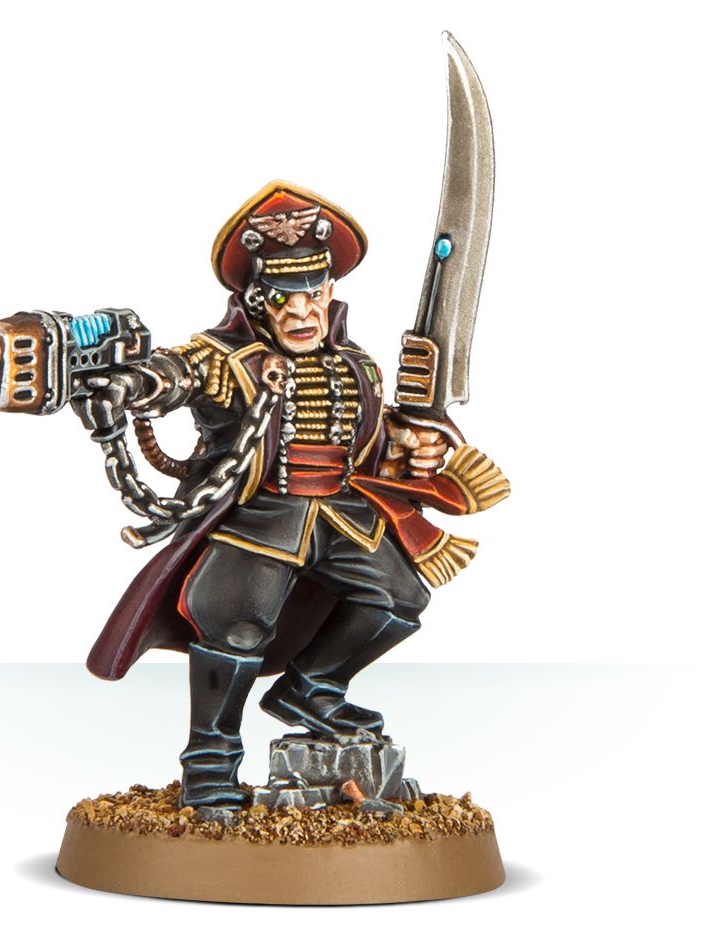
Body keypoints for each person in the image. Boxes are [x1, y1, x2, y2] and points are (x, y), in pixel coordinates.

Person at [80, 182, 461, 815]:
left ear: (329, 291)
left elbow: (375, 435)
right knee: (237, 624)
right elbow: (176, 375)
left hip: (343, 514)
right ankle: (209, 766)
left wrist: (419, 444)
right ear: (256, 298)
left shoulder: (357, 362)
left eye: (314, 293)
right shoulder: (224, 359)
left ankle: (312, 687)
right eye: (285, 297)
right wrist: (136, 384)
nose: (303, 312)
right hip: (259, 518)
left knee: (400, 599)